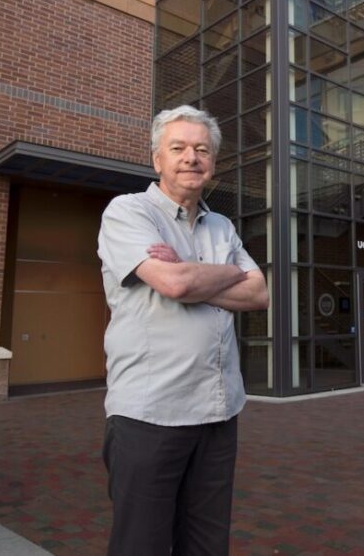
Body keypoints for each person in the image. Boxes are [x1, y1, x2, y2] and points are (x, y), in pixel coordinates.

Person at [97, 104, 268, 555]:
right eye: (178, 148)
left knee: (207, 545)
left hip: (218, 414)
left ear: (212, 162)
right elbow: (173, 283)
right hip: (151, 415)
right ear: (157, 159)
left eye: (201, 149)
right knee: (142, 545)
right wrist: (213, 275)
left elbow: (258, 294)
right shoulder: (127, 212)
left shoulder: (222, 225)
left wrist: (191, 277)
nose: (191, 157)